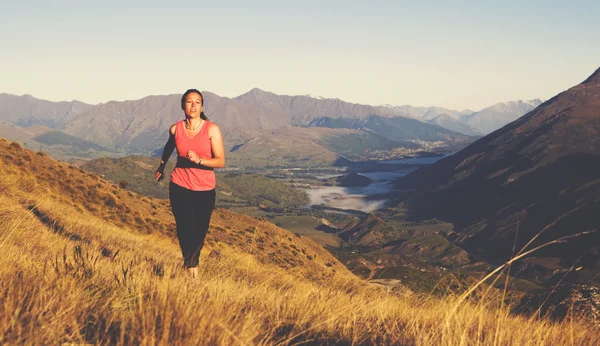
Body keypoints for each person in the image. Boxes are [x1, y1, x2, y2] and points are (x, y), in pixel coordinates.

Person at [155, 89, 225, 278]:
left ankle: (191, 264)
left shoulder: (211, 129)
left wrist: (200, 160)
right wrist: (161, 166)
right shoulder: (175, 128)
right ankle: (192, 273)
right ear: (183, 105)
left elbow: (220, 161)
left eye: (197, 102)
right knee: (185, 228)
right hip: (180, 185)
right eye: (189, 102)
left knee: (200, 232)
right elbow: (170, 145)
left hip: (205, 189)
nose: (193, 105)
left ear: (201, 106)